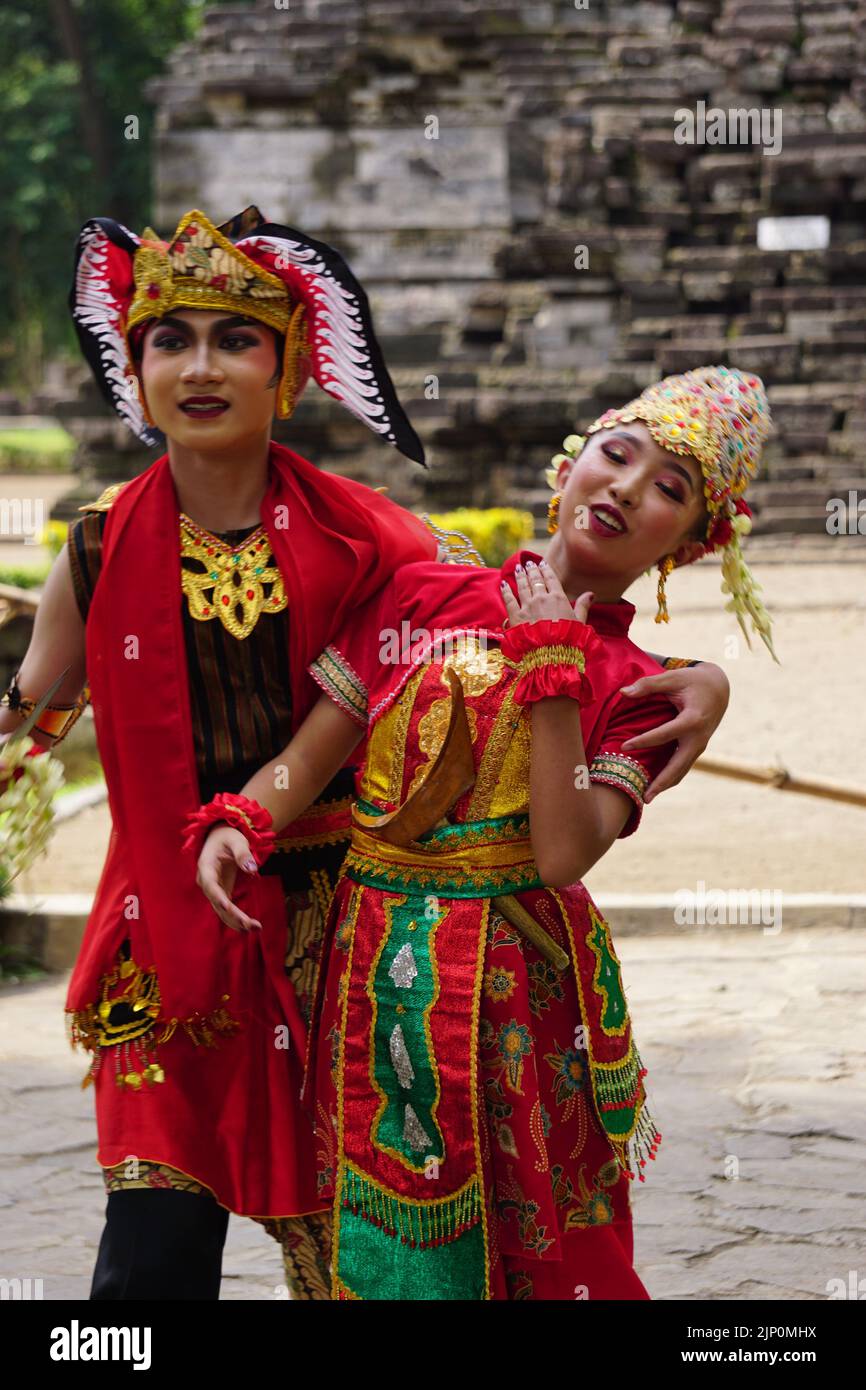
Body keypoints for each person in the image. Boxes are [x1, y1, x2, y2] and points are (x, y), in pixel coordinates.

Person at [192, 365, 773, 1299]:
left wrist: (553, 667)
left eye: (669, 488)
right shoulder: (421, 593)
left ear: (692, 543)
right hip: (379, 971)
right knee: (390, 1229)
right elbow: (317, 748)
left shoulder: (645, 687)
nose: (627, 488)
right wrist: (245, 819)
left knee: (547, 1238)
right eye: (616, 455)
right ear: (570, 466)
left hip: (522, 992)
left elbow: (562, 854)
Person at [0, 204, 453, 1300]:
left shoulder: (372, 538)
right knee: (145, 1268)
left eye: (234, 339)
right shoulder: (102, 540)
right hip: (167, 943)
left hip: (341, 939)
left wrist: (690, 681)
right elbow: (24, 712)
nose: (199, 367)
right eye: (169, 339)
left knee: (352, 1258)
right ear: (139, 368)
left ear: (285, 368)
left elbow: (502, 642)